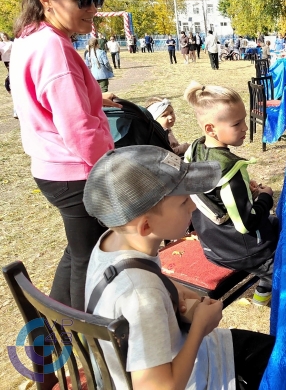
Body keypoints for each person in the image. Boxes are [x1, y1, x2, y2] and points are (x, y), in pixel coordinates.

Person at [83, 145, 275, 390]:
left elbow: (140, 280)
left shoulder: (111, 242)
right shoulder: (143, 297)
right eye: (184, 201)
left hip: (172, 354)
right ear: (145, 227)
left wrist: (175, 291)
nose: (193, 207)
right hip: (196, 376)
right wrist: (199, 329)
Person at [10, 0, 120, 310]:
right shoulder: (54, 48)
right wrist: (114, 167)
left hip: (53, 169)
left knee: (77, 251)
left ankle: (54, 323)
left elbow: (47, 99)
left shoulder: (31, 37)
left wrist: (93, 98)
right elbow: (78, 131)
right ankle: (79, 339)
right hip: (76, 173)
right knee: (88, 259)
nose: (93, 8)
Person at [183, 82, 280, 306]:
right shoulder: (231, 171)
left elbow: (215, 197)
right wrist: (265, 196)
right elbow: (248, 223)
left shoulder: (195, 149)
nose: (245, 127)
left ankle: (261, 294)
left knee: (277, 224)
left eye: (244, 119)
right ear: (211, 129)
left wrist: (247, 193)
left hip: (211, 242)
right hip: (240, 250)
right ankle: (275, 290)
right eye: (237, 123)